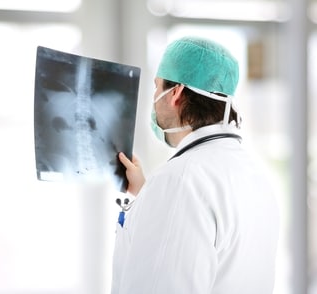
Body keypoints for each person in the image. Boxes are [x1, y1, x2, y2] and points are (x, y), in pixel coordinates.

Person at [111, 36, 279, 294]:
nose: (154, 97)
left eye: (157, 87)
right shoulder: (254, 173)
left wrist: (160, 194)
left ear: (175, 93)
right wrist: (148, 197)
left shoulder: (180, 180)